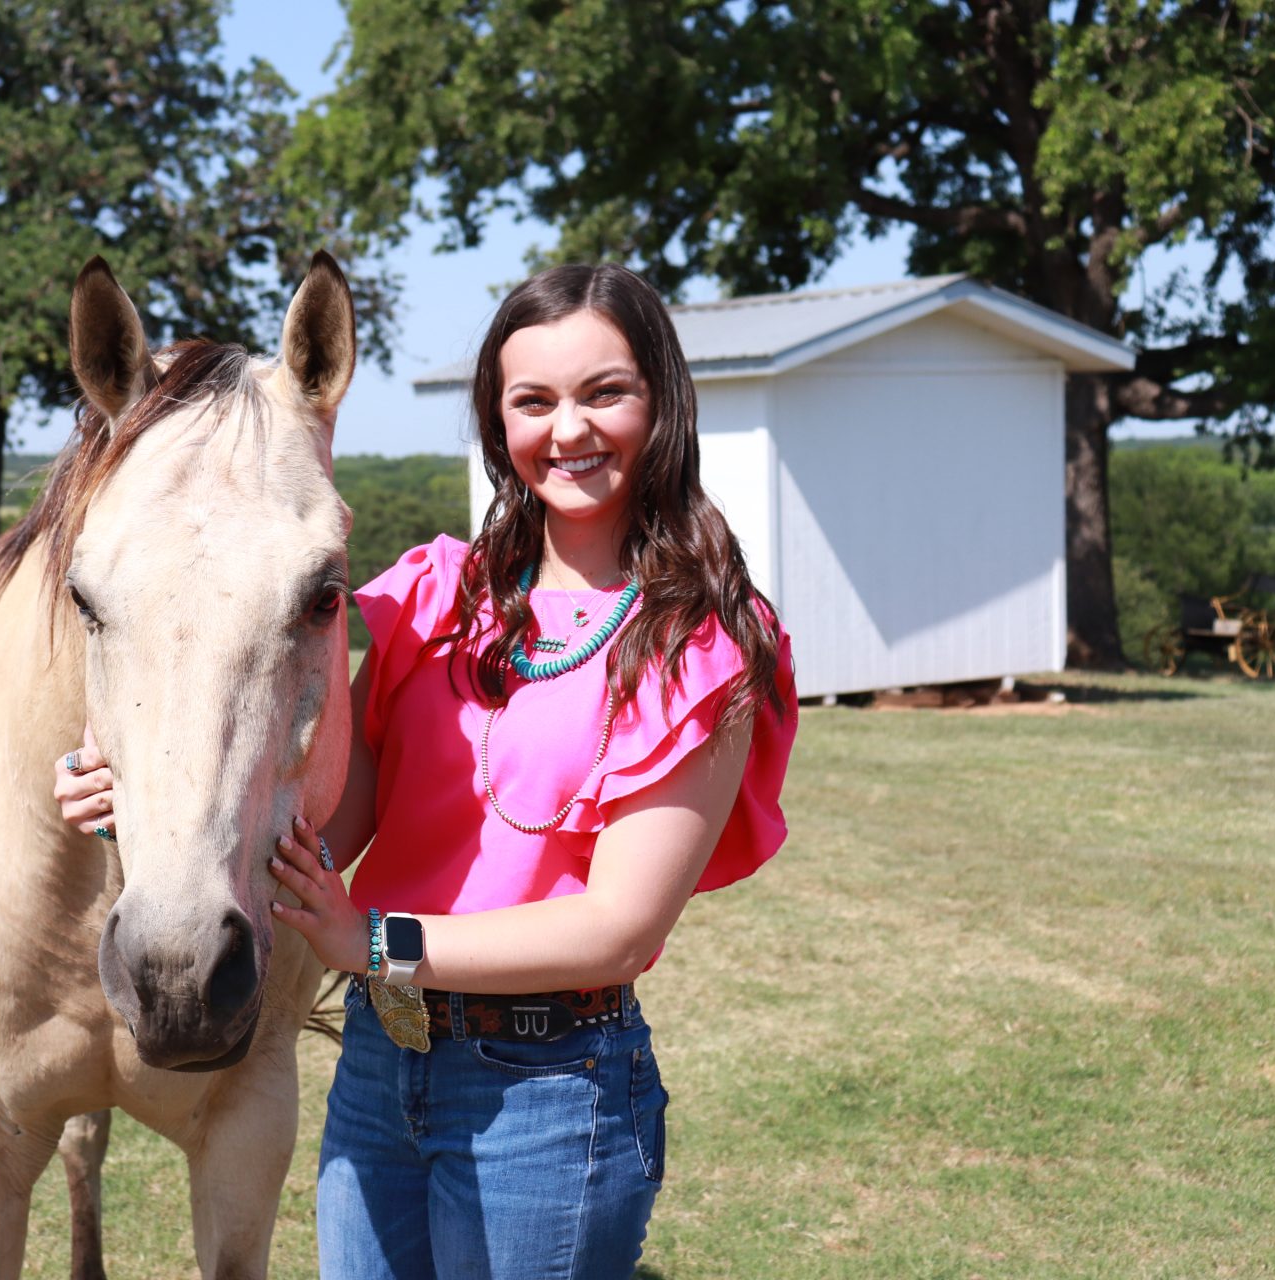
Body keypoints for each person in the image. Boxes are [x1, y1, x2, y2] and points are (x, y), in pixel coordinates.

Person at [55, 262, 796, 1279]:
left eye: (604, 392)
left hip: (547, 1083)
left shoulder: (701, 648)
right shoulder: (441, 597)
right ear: (498, 422)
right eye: (532, 399)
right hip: (379, 1065)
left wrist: (372, 938)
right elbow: (331, 824)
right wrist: (137, 806)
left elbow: (623, 926)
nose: (568, 428)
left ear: (663, 402)